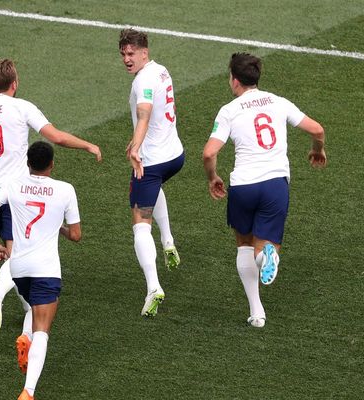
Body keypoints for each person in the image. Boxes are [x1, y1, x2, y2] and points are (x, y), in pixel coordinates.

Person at [0, 58, 101, 332]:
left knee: (14, 252)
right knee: (18, 253)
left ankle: (28, 309)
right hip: (17, 194)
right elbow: (56, 137)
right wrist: (88, 145)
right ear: (14, 84)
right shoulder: (21, 108)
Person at [202, 53, 326, 328]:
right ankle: (265, 256)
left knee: (243, 245)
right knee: (263, 247)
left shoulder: (229, 110)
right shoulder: (278, 102)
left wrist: (213, 178)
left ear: (234, 80)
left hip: (243, 186)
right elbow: (317, 129)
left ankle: (257, 312)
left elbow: (209, 153)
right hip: (274, 185)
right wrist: (317, 150)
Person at [0, 141, 81, 400]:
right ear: (52, 164)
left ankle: (24, 336)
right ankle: (28, 391)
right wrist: (58, 226)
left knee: (31, 310)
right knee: (43, 330)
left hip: (19, 269)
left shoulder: (14, 184)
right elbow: (76, 235)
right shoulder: (65, 190)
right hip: (46, 269)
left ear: (28, 163)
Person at [119, 28, 185, 317]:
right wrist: (137, 139)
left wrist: (137, 147)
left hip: (153, 160)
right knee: (151, 187)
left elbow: (144, 112)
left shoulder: (144, 79)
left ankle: (153, 287)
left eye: (131, 53)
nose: (126, 59)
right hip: (175, 155)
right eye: (122, 54)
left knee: (139, 222)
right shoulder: (161, 70)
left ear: (144, 52)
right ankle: (168, 241)